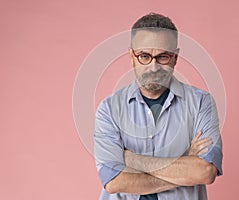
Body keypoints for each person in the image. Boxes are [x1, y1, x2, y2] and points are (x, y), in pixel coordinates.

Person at [94, 13, 223, 200]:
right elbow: (115, 182)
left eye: (163, 57)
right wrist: (185, 169)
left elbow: (205, 172)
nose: (153, 67)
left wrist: (133, 161)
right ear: (131, 56)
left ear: (175, 58)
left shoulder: (202, 103)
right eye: (144, 56)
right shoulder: (109, 109)